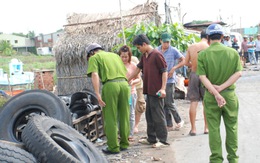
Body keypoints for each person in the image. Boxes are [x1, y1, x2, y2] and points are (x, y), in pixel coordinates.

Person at [197, 24, 242, 163]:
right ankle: (233, 159)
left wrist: (216, 93)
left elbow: (202, 77)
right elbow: (238, 73)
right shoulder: (233, 53)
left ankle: (216, 159)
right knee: (232, 128)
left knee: (214, 129)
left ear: (208, 38)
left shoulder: (203, 54)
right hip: (229, 95)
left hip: (211, 96)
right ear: (222, 37)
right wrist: (221, 88)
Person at [86, 43, 130, 154]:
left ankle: (113, 147)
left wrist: (97, 93)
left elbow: (95, 75)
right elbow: (125, 71)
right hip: (124, 84)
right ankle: (124, 144)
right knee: (124, 115)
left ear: (91, 52)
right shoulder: (115, 56)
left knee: (110, 117)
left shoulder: (94, 57)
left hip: (111, 86)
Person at [128, 34, 169, 148]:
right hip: (149, 90)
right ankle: (151, 138)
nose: (138, 49)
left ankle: (163, 140)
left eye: (139, 47)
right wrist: (128, 79)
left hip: (157, 91)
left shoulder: (156, 54)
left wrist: (163, 88)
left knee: (158, 116)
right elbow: (137, 69)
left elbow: (164, 71)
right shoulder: (144, 56)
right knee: (149, 115)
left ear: (144, 44)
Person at [156, 32, 185, 131]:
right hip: (160, 80)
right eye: (165, 42)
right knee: (164, 103)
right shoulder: (157, 51)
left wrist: (174, 68)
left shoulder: (173, 51)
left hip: (170, 80)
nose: (166, 44)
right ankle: (169, 124)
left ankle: (179, 120)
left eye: (168, 42)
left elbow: (183, 60)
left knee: (170, 102)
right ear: (161, 41)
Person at [185, 29, 209, 136]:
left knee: (193, 102)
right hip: (205, 75)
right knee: (206, 102)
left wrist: (193, 65)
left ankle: (193, 129)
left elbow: (186, 63)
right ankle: (206, 128)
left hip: (194, 74)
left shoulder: (191, 47)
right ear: (208, 37)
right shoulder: (209, 48)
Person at [118, 45, 141, 142]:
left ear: (129, 56)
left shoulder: (133, 66)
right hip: (119, 92)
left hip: (131, 92)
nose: (124, 59)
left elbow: (139, 79)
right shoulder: (117, 65)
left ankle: (130, 134)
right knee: (120, 113)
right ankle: (121, 132)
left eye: (126, 56)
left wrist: (132, 82)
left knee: (131, 113)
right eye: (122, 56)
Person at [131, 55, 146, 134]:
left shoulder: (134, 60)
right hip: (129, 88)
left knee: (140, 106)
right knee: (130, 107)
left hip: (138, 86)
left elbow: (139, 75)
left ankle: (135, 125)